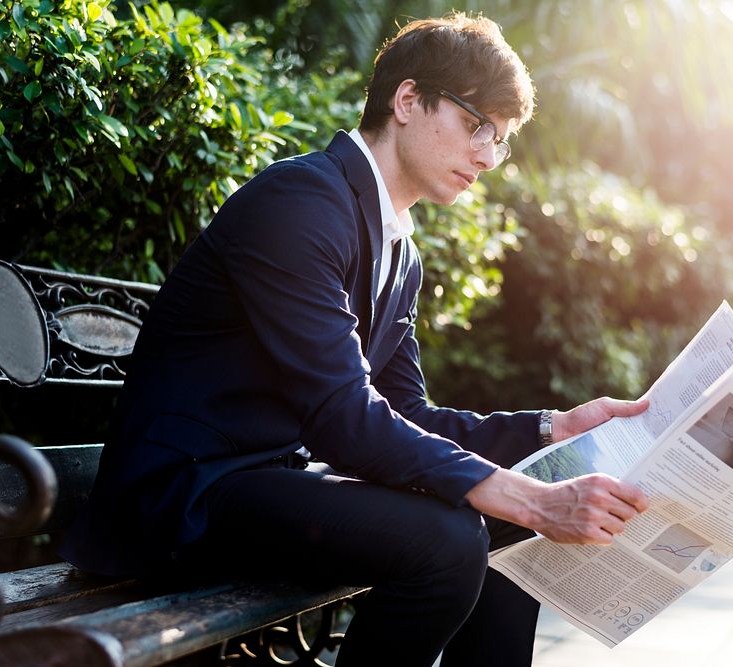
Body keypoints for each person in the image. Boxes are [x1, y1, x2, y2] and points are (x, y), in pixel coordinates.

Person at [60, 12, 649, 666]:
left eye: (501, 139)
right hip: (179, 498)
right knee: (448, 540)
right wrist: (534, 495)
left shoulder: (401, 251)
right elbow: (343, 417)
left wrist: (548, 430)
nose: (487, 155)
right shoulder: (301, 202)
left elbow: (408, 415)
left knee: (509, 526)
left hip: (263, 484)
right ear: (407, 100)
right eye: (476, 124)